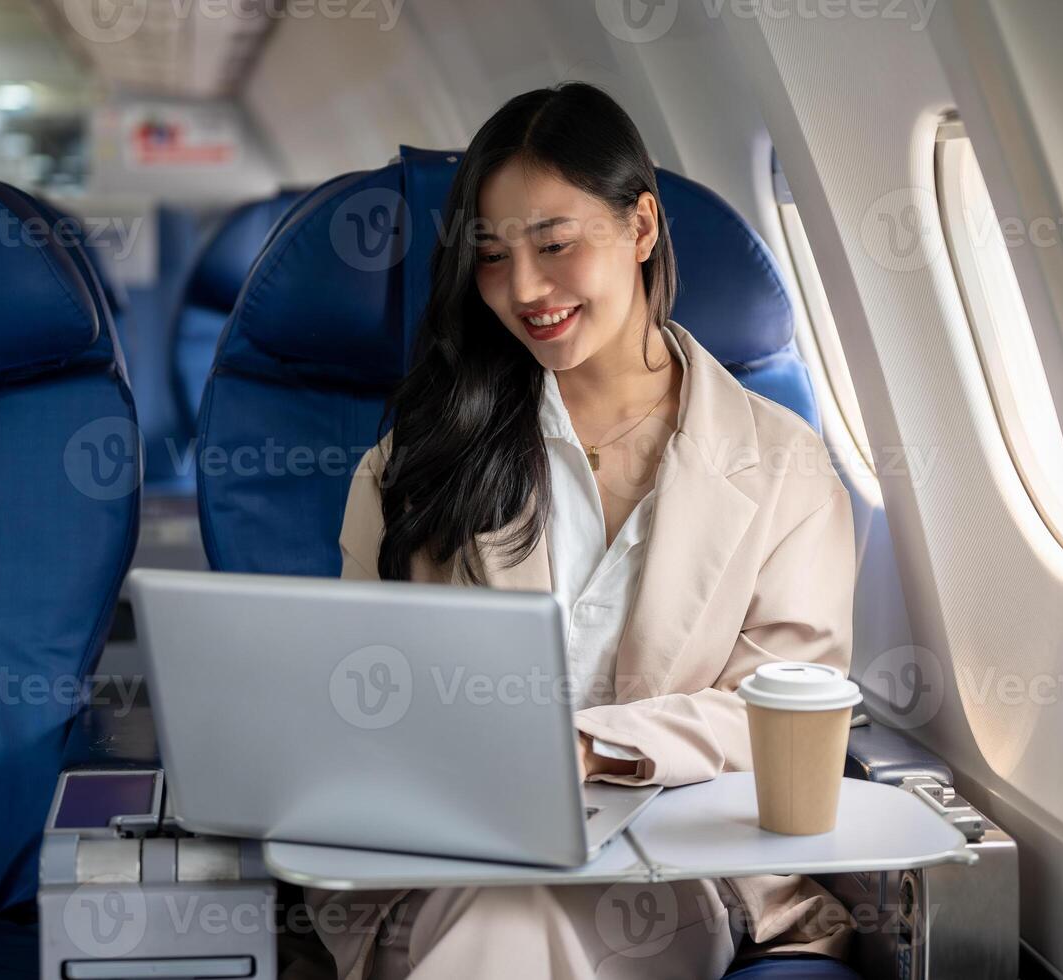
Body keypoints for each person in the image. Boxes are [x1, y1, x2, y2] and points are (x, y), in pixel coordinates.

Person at [287, 81, 856, 980]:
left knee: (519, 921)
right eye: (489, 256)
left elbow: (778, 714)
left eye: (553, 245)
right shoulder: (418, 459)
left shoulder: (784, 469)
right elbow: (363, 690)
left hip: (671, 866)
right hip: (448, 862)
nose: (522, 289)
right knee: (501, 907)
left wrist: (589, 747)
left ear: (640, 228)